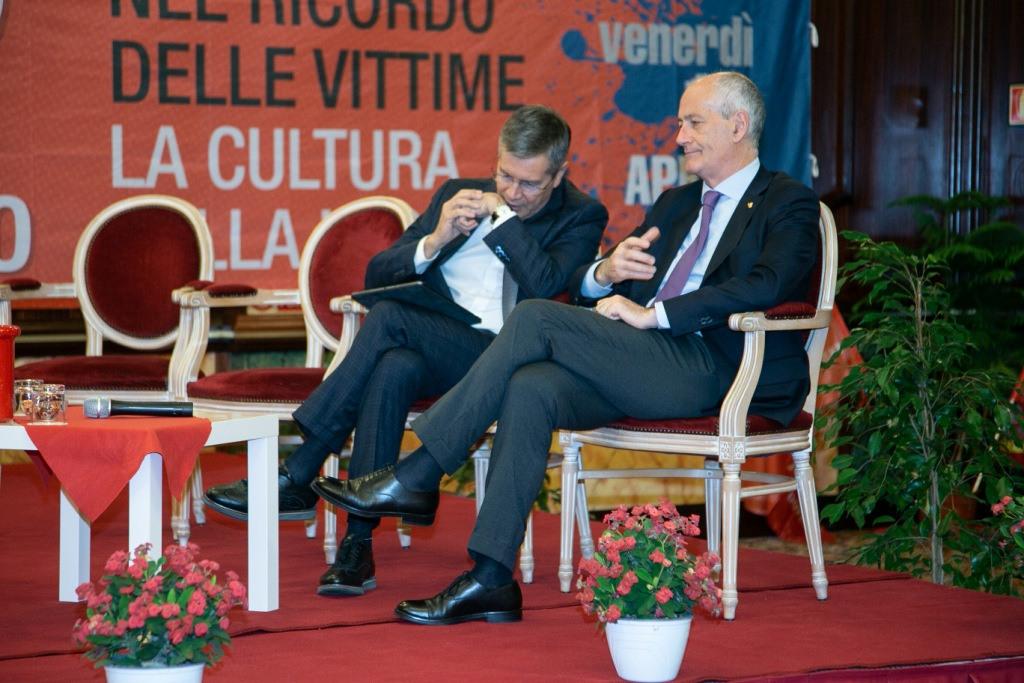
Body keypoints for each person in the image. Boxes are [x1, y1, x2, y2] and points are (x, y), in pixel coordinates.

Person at [311, 71, 821, 625]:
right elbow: (592, 283)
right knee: (531, 387)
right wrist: (607, 272)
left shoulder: (788, 201)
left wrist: (656, 314)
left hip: (717, 366)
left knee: (534, 316)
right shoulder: (676, 204)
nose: (680, 136)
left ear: (738, 125)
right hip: (644, 360)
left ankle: (417, 474)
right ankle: (491, 578)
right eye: (680, 123)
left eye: (693, 122)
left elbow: (768, 284)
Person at [202, 105, 608, 597]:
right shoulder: (458, 193)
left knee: (391, 318)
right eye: (504, 175)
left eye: (529, 184)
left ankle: (301, 469)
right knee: (393, 366)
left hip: (503, 358)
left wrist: (502, 219)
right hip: (441, 346)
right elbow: (376, 276)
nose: (512, 192)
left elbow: (545, 283)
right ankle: (356, 547)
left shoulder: (581, 215)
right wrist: (435, 240)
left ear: (559, 174)